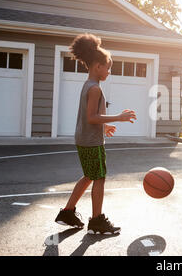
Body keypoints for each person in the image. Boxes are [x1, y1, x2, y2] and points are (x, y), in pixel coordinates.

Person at [54, 33, 136, 234]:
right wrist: (118, 117)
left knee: (89, 176)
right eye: (107, 67)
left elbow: (92, 117)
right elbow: (92, 117)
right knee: (99, 178)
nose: (109, 71)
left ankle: (67, 212)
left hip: (85, 138)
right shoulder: (94, 89)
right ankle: (97, 221)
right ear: (97, 66)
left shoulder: (89, 85)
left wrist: (104, 126)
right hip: (90, 141)